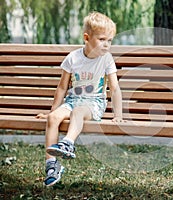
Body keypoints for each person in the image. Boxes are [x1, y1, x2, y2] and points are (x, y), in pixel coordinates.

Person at [36, 11, 123, 186]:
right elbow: (62, 87)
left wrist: (118, 115)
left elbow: (114, 88)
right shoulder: (72, 58)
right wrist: (52, 112)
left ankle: (68, 143)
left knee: (78, 111)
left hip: (93, 104)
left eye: (110, 40)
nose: (106, 45)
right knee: (53, 119)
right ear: (87, 37)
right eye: (102, 39)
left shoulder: (106, 59)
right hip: (72, 101)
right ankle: (51, 166)